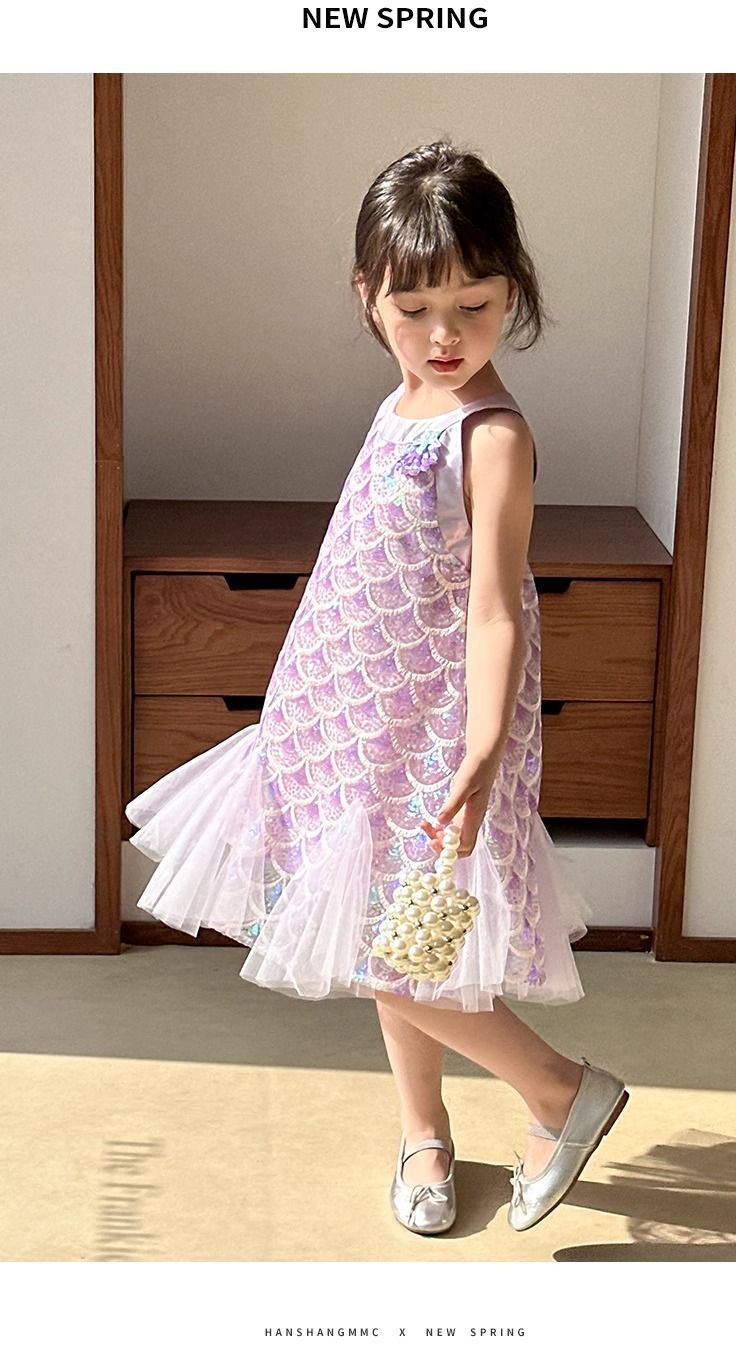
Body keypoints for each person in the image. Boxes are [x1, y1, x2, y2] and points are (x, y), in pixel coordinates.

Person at [125, 139, 629, 1237]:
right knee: (379, 928)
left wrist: (484, 748)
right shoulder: (403, 402)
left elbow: (494, 609)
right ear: (369, 298)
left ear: (513, 293)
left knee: (400, 953)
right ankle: (423, 1130)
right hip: (342, 719)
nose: (445, 335)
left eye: (474, 306)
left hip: (432, 737)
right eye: (415, 309)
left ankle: (559, 1091)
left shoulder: (492, 436)